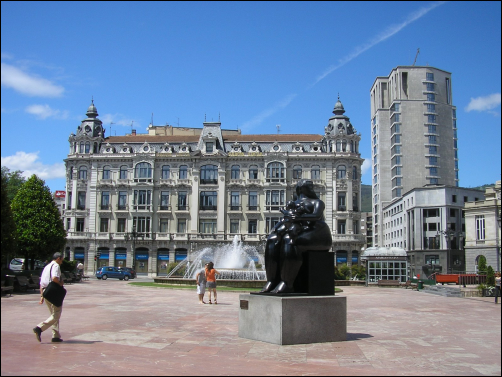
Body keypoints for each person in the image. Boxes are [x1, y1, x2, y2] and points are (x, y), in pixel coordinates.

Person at [261, 179, 332, 294]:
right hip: (301, 231)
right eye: (306, 186)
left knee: (290, 241)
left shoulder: (317, 202)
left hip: (318, 232)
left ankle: (287, 283)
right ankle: (272, 281)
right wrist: (276, 231)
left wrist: (298, 218)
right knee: (272, 241)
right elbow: (286, 219)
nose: (309, 188)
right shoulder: (294, 203)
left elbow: (316, 216)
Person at [33, 252, 65, 343]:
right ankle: (39, 328)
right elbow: (54, 278)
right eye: (62, 260)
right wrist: (60, 283)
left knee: (53, 314)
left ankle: (56, 336)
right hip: (53, 292)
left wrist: (42, 296)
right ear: (58, 258)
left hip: (45, 291)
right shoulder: (56, 266)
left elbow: (41, 282)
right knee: (56, 314)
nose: (62, 262)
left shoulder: (46, 267)